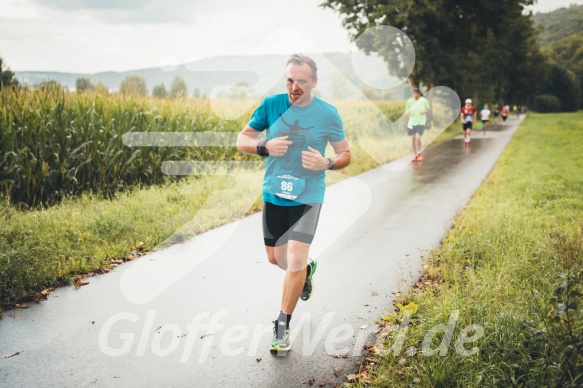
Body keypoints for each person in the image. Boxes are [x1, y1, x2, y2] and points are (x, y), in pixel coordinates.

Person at [236, 54, 351, 354]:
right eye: (290, 79)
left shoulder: (328, 113)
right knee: (277, 259)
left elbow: (345, 154)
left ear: (313, 82)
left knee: (296, 259)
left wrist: (326, 162)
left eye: (301, 81)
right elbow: (242, 139)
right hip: (274, 193)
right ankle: (306, 272)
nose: (294, 86)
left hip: (308, 196)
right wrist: (264, 146)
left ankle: (282, 325)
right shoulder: (271, 105)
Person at [405, 88, 431, 162]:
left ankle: (419, 152)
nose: (415, 95)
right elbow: (406, 111)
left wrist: (424, 112)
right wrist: (408, 112)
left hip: (421, 122)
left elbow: (428, 109)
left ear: (419, 94)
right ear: (413, 94)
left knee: (418, 138)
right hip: (412, 122)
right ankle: (415, 155)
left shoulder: (423, 100)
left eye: (417, 93)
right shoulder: (409, 101)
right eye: (414, 93)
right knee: (413, 139)